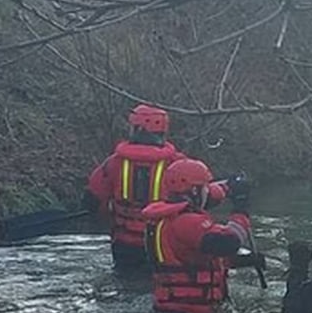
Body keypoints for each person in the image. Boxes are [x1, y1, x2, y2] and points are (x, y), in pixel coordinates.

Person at [85, 104, 233, 271]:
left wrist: (110, 215)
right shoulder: (177, 163)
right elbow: (205, 197)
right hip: (160, 242)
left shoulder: (114, 163)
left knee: (125, 281)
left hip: (124, 244)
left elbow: (92, 200)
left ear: (138, 129)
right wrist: (226, 189)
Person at [141, 158, 261, 313]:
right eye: (205, 187)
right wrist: (240, 211)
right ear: (195, 191)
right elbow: (228, 243)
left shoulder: (165, 217)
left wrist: (242, 261)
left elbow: (194, 260)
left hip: (172, 310)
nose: (208, 192)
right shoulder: (187, 222)